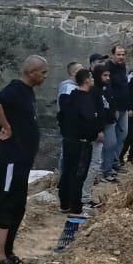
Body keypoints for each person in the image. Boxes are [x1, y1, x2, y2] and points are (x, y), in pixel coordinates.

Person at [0, 55, 47, 264]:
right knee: (7, 202)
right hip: (11, 159)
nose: (45, 77)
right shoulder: (15, 89)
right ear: (32, 72)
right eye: (43, 73)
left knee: (18, 205)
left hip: (22, 160)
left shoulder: (27, 92)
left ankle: (7, 252)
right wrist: (6, 126)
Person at [55, 68, 102, 250]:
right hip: (81, 142)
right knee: (78, 174)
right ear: (86, 80)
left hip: (68, 140)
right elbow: (89, 120)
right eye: (91, 78)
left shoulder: (69, 98)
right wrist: (95, 133)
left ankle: (64, 203)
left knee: (67, 171)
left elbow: (60, 116)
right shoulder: (84, 99)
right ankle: (75, 208)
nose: (93, 80)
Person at [101, 44, 131, 180]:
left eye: (123, 54)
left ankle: (115, 162)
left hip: (124, 107)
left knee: (122, 135)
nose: (121, 57)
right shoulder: (108, 67)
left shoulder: (122, 66)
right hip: (114, 108)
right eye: (118, 54)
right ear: (113, 55)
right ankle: (107, 167)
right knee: (111, 140)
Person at [55, 60, 81, 193]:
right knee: (65, 153)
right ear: (74, 73)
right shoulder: (67, 87)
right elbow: (65, 109)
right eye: (81, 69)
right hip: (68, 127)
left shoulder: (76, 86)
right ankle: (62, 180)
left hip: (74, 127)